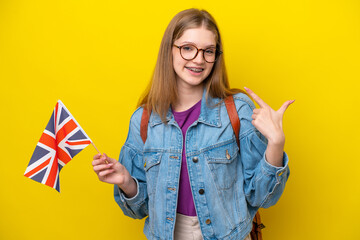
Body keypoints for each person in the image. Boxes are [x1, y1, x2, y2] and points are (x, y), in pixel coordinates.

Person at [92, 8, 293, 240]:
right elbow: (140, 210)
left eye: (208, 51)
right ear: (169, 50)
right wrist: (127, 182)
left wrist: (276, 145)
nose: (198, 59)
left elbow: (263, 198)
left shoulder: (237, 110)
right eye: (187, 48)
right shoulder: (144, 120)